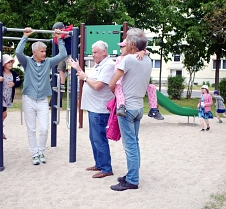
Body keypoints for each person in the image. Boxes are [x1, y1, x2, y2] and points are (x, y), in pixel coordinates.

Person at [108, 28, 152, 191]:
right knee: (135, 143)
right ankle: (132, 174)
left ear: (132, 45)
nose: (124, 42)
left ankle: (132, 180)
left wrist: (115, 92)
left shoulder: (128, 60)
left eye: (126, 40)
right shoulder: (147, 60)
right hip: (139, 107)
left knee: (130, 145)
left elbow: (113, 83)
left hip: (126, 109)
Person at [16, 27, 67, 165]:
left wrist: (59, 39)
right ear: (34, 52)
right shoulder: (27, 62)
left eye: (45, 51)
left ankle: (41, 151)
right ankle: (34, 154)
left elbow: (63, 55)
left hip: (43, 100)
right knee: (31, 129)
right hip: (29, 99)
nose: (44, 53)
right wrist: (25, 37)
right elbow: (18, 52)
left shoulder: (48, 62)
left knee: (44, 128)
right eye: (42, 51)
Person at [68, 40, 115, 179]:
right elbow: (89, 79)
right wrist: (78, 69)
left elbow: (97, 85)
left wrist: (85, 77)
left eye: (95, 52)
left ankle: (106, 168)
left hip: (100, 109)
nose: (92, 55)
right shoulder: (99, 65)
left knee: (99, 139)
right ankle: (99, 164)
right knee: (94, 138)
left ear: (104, 52)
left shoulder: (108, 65)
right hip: (93, 108)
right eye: (92, 52)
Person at [114, 40, 164, 120]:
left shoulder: (136, 56)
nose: (121, 49)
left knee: (151, 87)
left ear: (130, 47)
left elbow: (147, 52)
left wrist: (143, 52)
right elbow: (117, 72)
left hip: (136, 81)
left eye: (123, 47)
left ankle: (153, 109)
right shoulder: (120, 58)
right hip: (123, 81)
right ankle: (121, 106)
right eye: (121, 47)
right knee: (118, 86)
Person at [52, 22, 73, 93]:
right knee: (60, 69)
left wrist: (59, 35)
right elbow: (57, 40)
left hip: (70, 54)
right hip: (63, 54)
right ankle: (62, 86)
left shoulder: (69, 32)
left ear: (61, 29)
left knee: (70, 69)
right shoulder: (61, 33)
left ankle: (71, 85)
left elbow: (64, 35)